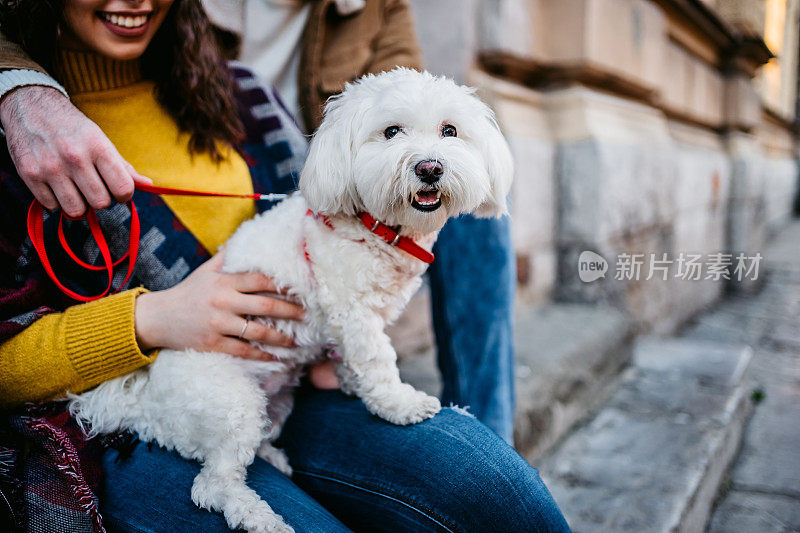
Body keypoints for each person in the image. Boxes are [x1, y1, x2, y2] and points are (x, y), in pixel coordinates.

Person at [0, 1, 569, 532]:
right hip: (130, 424)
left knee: (501, 494)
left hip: (289, 384)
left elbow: (339, 224)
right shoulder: (19, 136)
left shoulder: (244, 93)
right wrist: (148, 320)